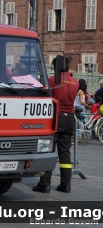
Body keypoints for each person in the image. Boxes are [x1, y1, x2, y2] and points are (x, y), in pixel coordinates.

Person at [33, 57, 78, 194]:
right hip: (69, 118)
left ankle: (44, 184)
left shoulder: (53, 80)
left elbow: (48, 98)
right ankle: (66, 185)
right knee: (65, 153)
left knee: (47, 151)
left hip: (55, 118)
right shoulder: (75, 82)